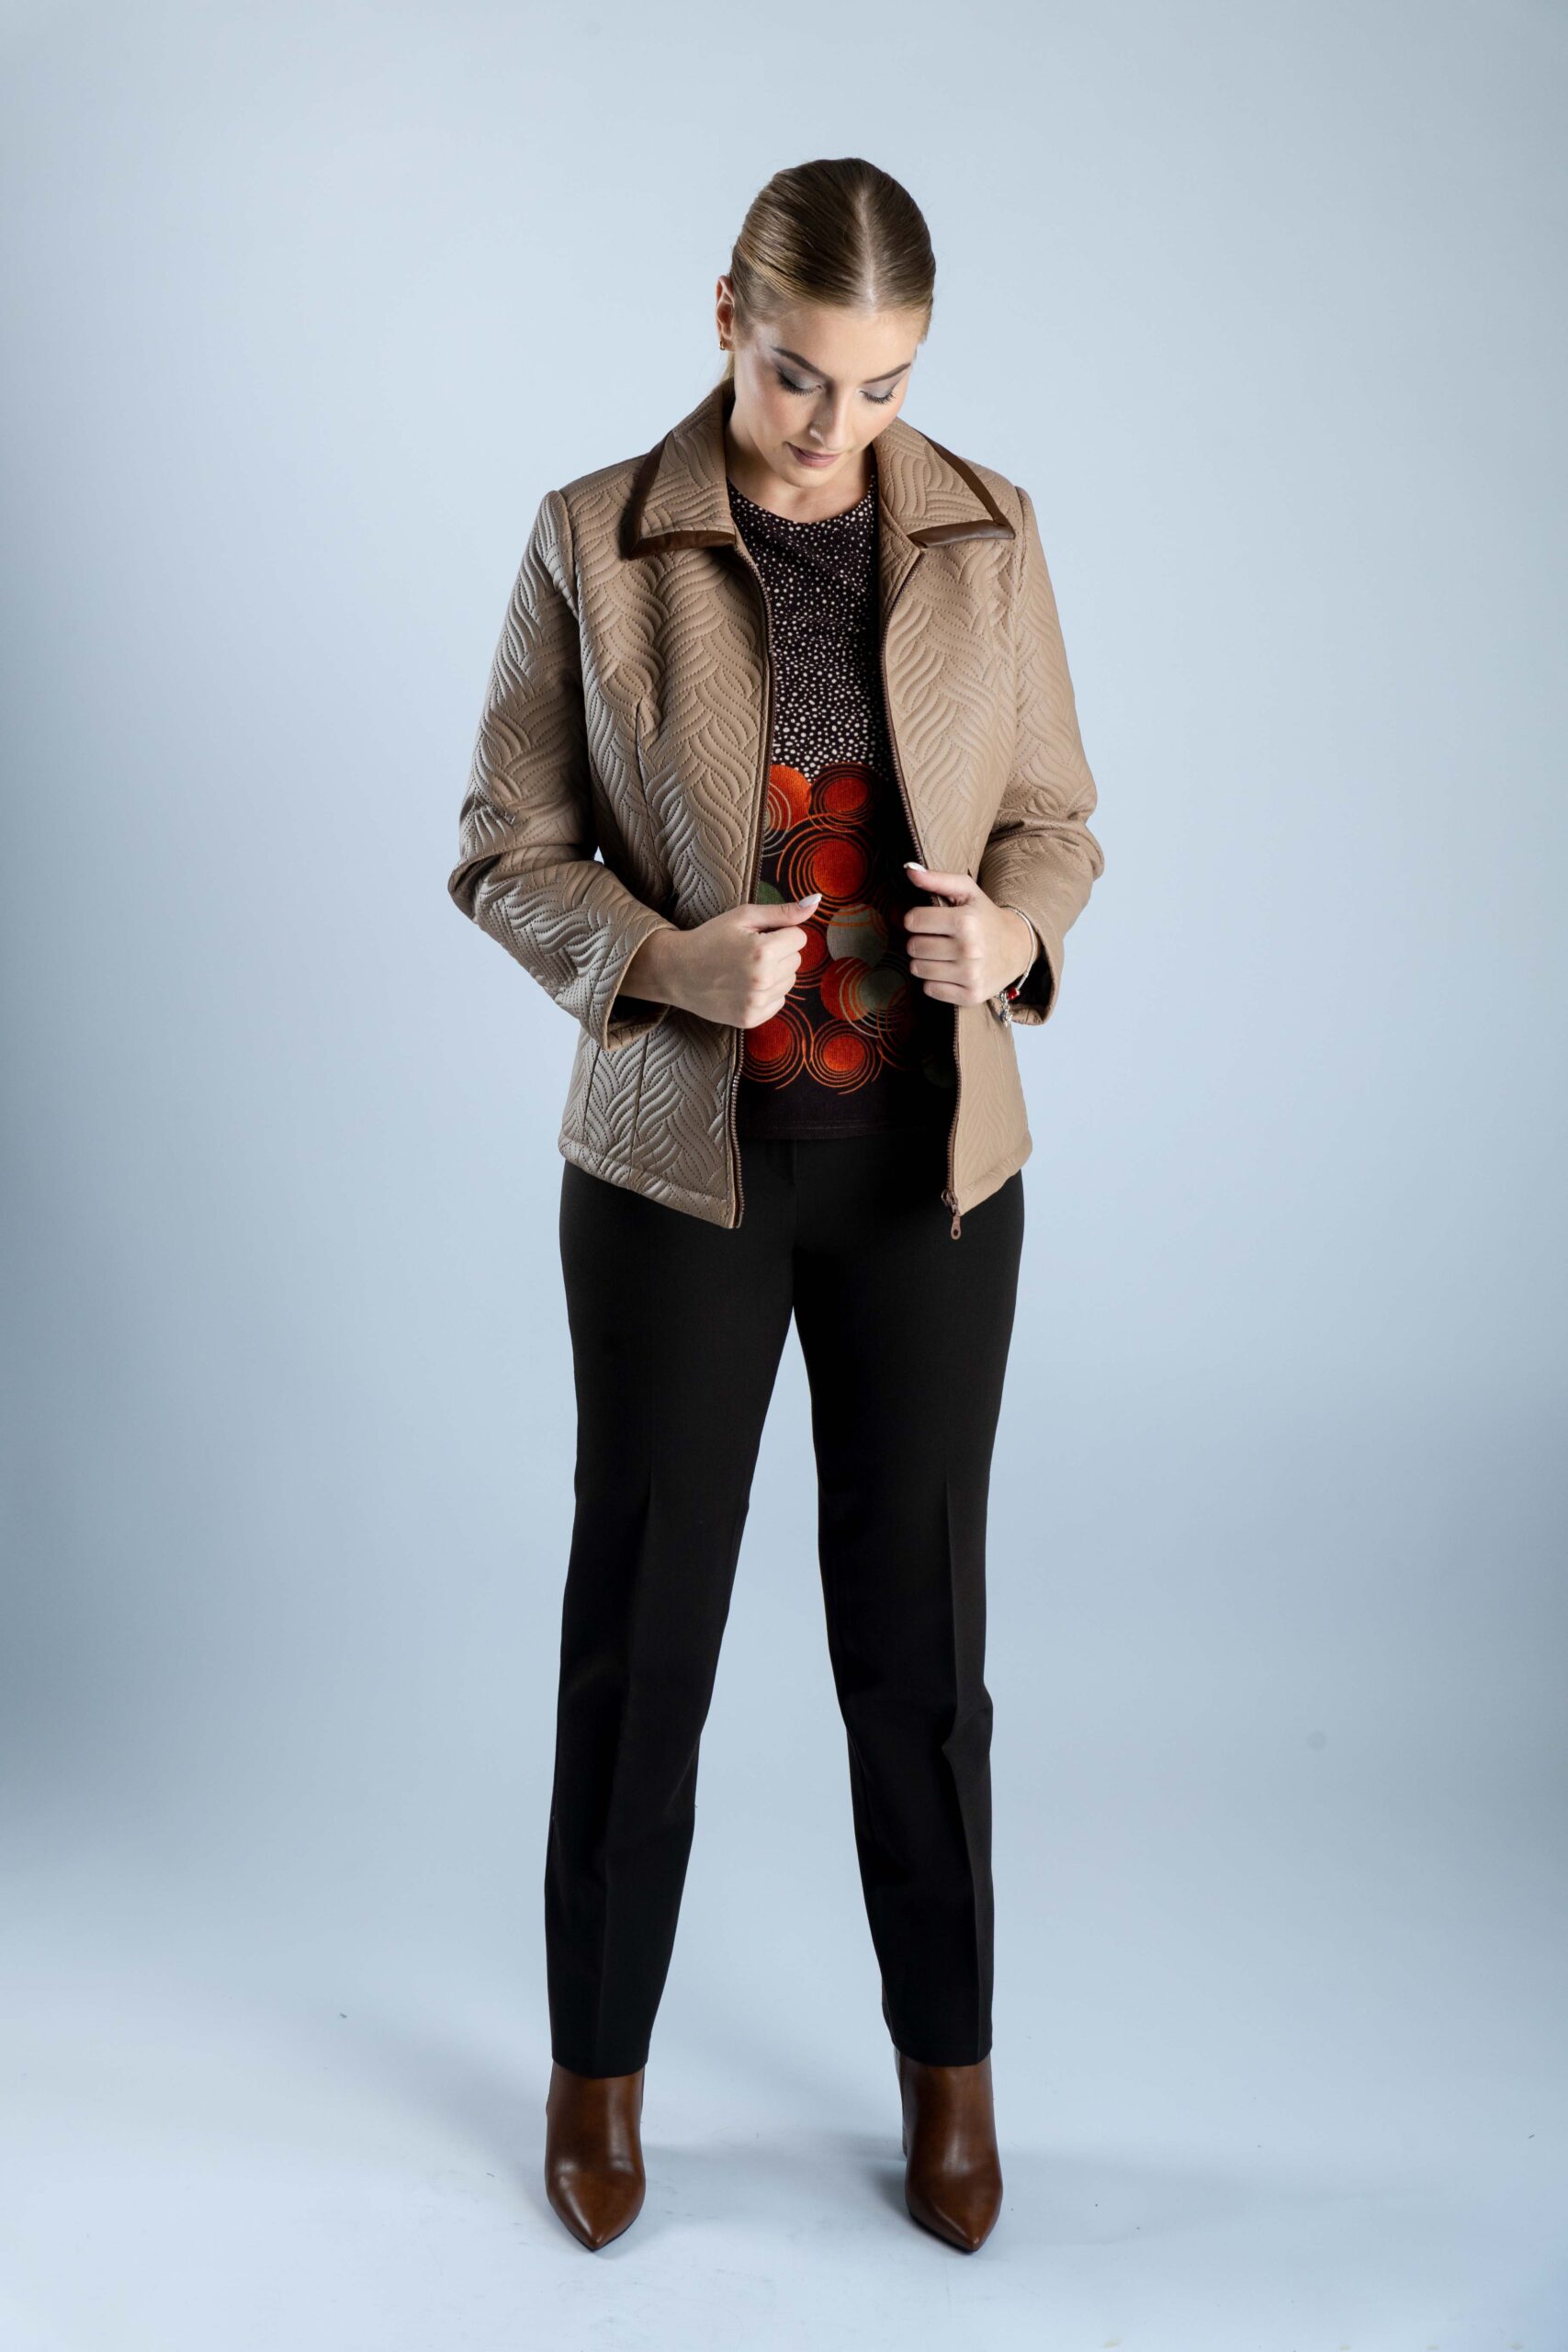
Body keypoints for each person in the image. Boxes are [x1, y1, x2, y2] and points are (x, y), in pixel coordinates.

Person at [447, 155, 1104, 2254]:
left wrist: (1013, 936)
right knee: (643, 1638)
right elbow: (500, 846)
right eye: (800, 373)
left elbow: (1057, 819)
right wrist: (658, 958)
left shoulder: (989, 532)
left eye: (883, 385)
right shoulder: (595, 538)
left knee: (920, 1650)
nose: (836, 425)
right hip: (679, 1172)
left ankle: (951, 2079)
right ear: (725, 313)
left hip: (929, 1173)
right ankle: (596, 2075)